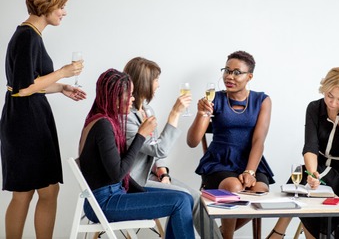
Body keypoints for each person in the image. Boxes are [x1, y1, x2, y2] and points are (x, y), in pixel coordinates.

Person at [0, 0, 86, 239]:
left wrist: (61, 87)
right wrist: (63, 72)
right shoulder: (27, 36)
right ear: (47, 4)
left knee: (33, 191)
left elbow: (28, 85)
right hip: (26, 122)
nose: (64, 11)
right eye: (61, 6)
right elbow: (23, 87)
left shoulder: (30, 35)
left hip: (27, 117)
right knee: (36, 191)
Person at [78, 68, 195, 239]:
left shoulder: (104, 120)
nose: (132, 99)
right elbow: (118, 173)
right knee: (180, 201)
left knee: (186, 197)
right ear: (115, 97)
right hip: (104, 202)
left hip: (114, 194)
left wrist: (144, 192)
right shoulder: (103, 125)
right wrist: (140, 135)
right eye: (130, 94)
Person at [123, 56, 222, 238]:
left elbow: (155, 147)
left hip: (151, 176)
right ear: (145, 82)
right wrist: (175, 113)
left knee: (196, 197)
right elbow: (160, 149)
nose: (159, 85)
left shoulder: (146, 110)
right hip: (134, 182)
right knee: (185, 198)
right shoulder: (126, 117)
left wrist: (164, 174)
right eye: (156, 80)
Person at [267, 67, 339, 239]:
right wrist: (313, 174)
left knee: (300, 182)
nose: (333, 103)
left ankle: (278, 232)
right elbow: (310, 146)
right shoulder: (314, 108)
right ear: (324, 90)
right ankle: (281, 233)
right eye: (329, 96)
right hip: (320, 167)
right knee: (304, 178)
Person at [187, 50, 274, 239]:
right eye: (227, 70)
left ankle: (217, 235)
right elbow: (193, 141)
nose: (229, 76)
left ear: (249, 76)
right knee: (234, 187)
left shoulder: (262, 100)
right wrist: (201, 113)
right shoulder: (214, 98)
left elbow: (259, 139)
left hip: (250, 160)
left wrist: (250, 171)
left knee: (260, 192)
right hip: (219, 161)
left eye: (236, 72)